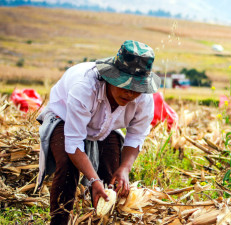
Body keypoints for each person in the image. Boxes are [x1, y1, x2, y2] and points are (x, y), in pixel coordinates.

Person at [36, 40, 161, 224]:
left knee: (112, 174)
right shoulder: (85, 88)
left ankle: (101, 219)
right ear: (111, 77)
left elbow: (135, 136)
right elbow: (73, 143)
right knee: (68, 166)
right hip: (64, 117)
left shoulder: (144, 100)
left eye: (136, 89)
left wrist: (125, 169)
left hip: (107, 126)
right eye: (124, 86)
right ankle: (59, 220)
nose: (130, 94)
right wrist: (93, 180)